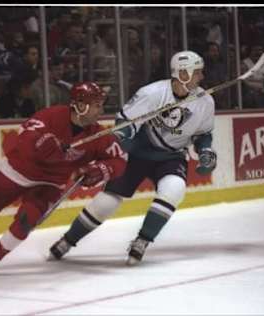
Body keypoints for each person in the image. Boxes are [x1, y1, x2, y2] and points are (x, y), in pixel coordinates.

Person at [0, 82, 128, 277]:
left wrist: (102, 170)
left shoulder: (98, 135)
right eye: (96, 105)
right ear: (80, 105)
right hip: (17, 171)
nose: (101, 111)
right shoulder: (51, 116)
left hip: (50, 183)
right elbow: (25, 138)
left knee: (27, 219)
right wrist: (46, 145)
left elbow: (120, 159)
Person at [49, 50, 217, 265]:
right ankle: (68, 240)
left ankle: (142, 240)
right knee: (107, 201)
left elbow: (203, 134)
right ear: (183, 74)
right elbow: (125, 123)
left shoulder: (205, 101)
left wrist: (205, 151)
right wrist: (122, 139)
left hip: (171, 157)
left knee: (174, 188)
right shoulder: (152, 93)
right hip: (136, 153)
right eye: (197, 73)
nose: (202, 77)